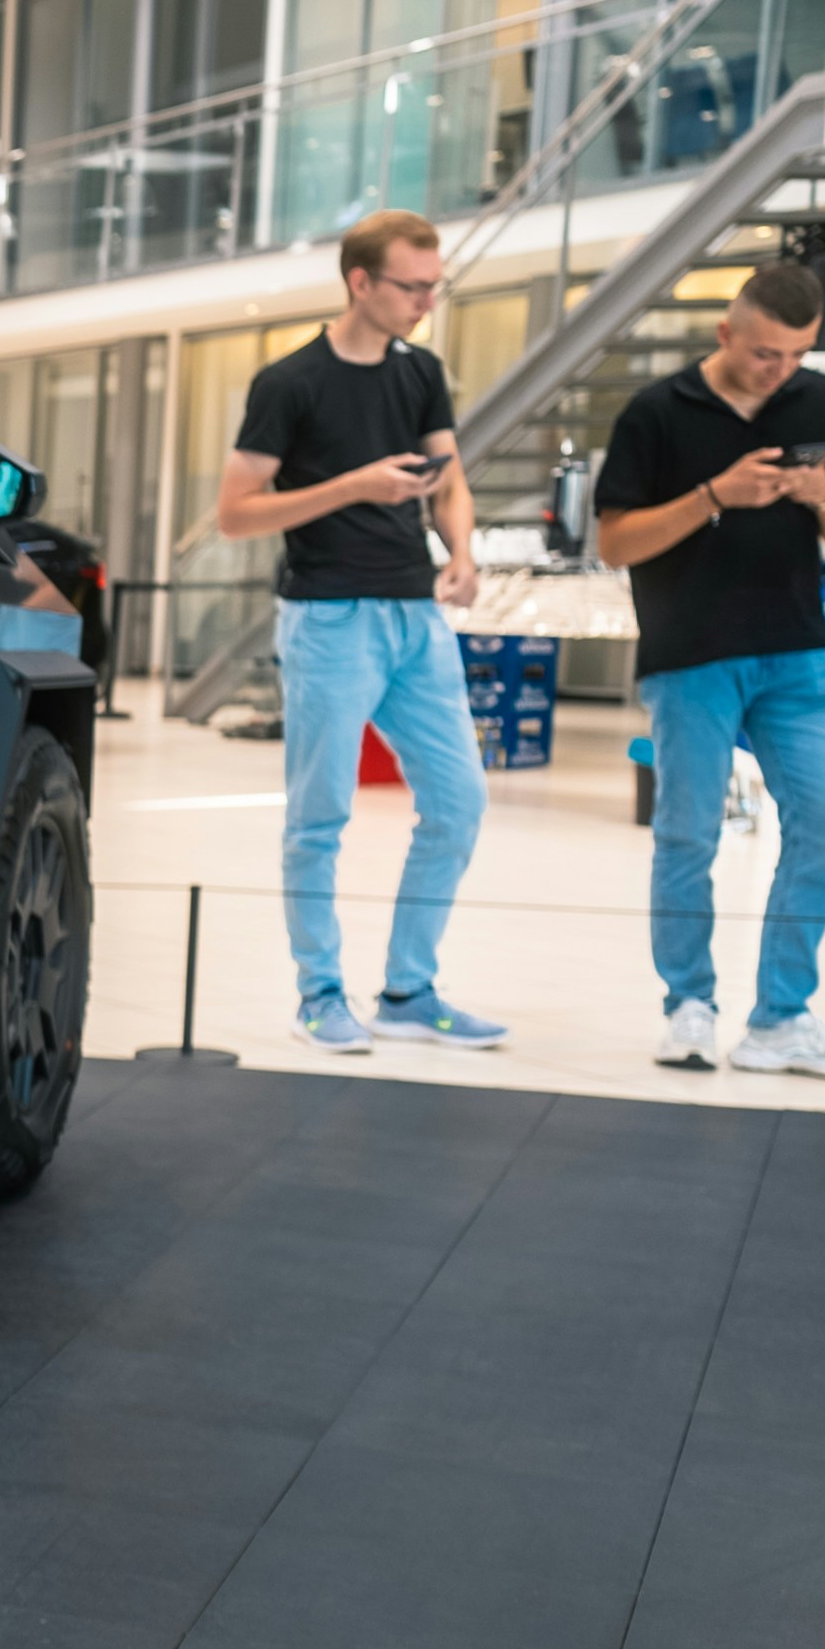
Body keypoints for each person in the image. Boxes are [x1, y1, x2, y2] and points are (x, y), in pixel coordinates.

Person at [589, 261, 825, 1079]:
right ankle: (688, 1005)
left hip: (797, 649)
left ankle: (781, 1020)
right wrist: (714, 497)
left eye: (796, 355)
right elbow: (614, 543)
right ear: (726, 333)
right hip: (690, 656)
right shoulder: (657, 411)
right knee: (688, 834)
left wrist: (821, 495)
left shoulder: (823, 400)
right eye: (764, 354)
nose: (780, 370)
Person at [216, 210, 503, 1055]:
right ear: (361, 282)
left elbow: (449, 481)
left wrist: (462, 551)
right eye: (412, 286)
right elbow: (235, 513)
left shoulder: (421, 373)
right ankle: (319, 995)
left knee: (459, 801)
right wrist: (354, 486)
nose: (426, 301)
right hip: (328, 616)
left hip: (415, 614)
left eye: (434, 286)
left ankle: (409, 991)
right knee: (320, 817)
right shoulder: (290, 383)